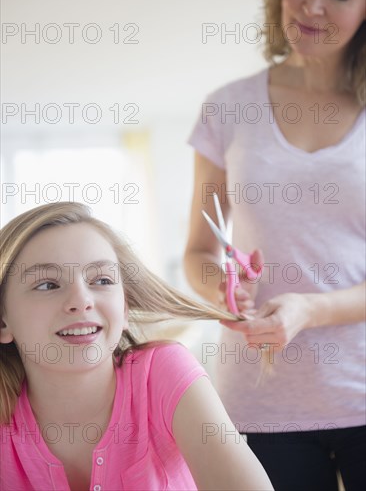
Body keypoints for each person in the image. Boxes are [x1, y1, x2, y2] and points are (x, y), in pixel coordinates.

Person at [184, 0, 365, 489]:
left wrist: (310, 310)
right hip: (258, 400)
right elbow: (199, 251)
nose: (311, 7)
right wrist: (222, 288)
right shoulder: (228, 108)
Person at [0, 202, 273, 491]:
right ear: (3, 320)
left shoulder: (164, 372)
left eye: (102, 280)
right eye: (47, 285)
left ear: (125, 308)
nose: (81, 301)